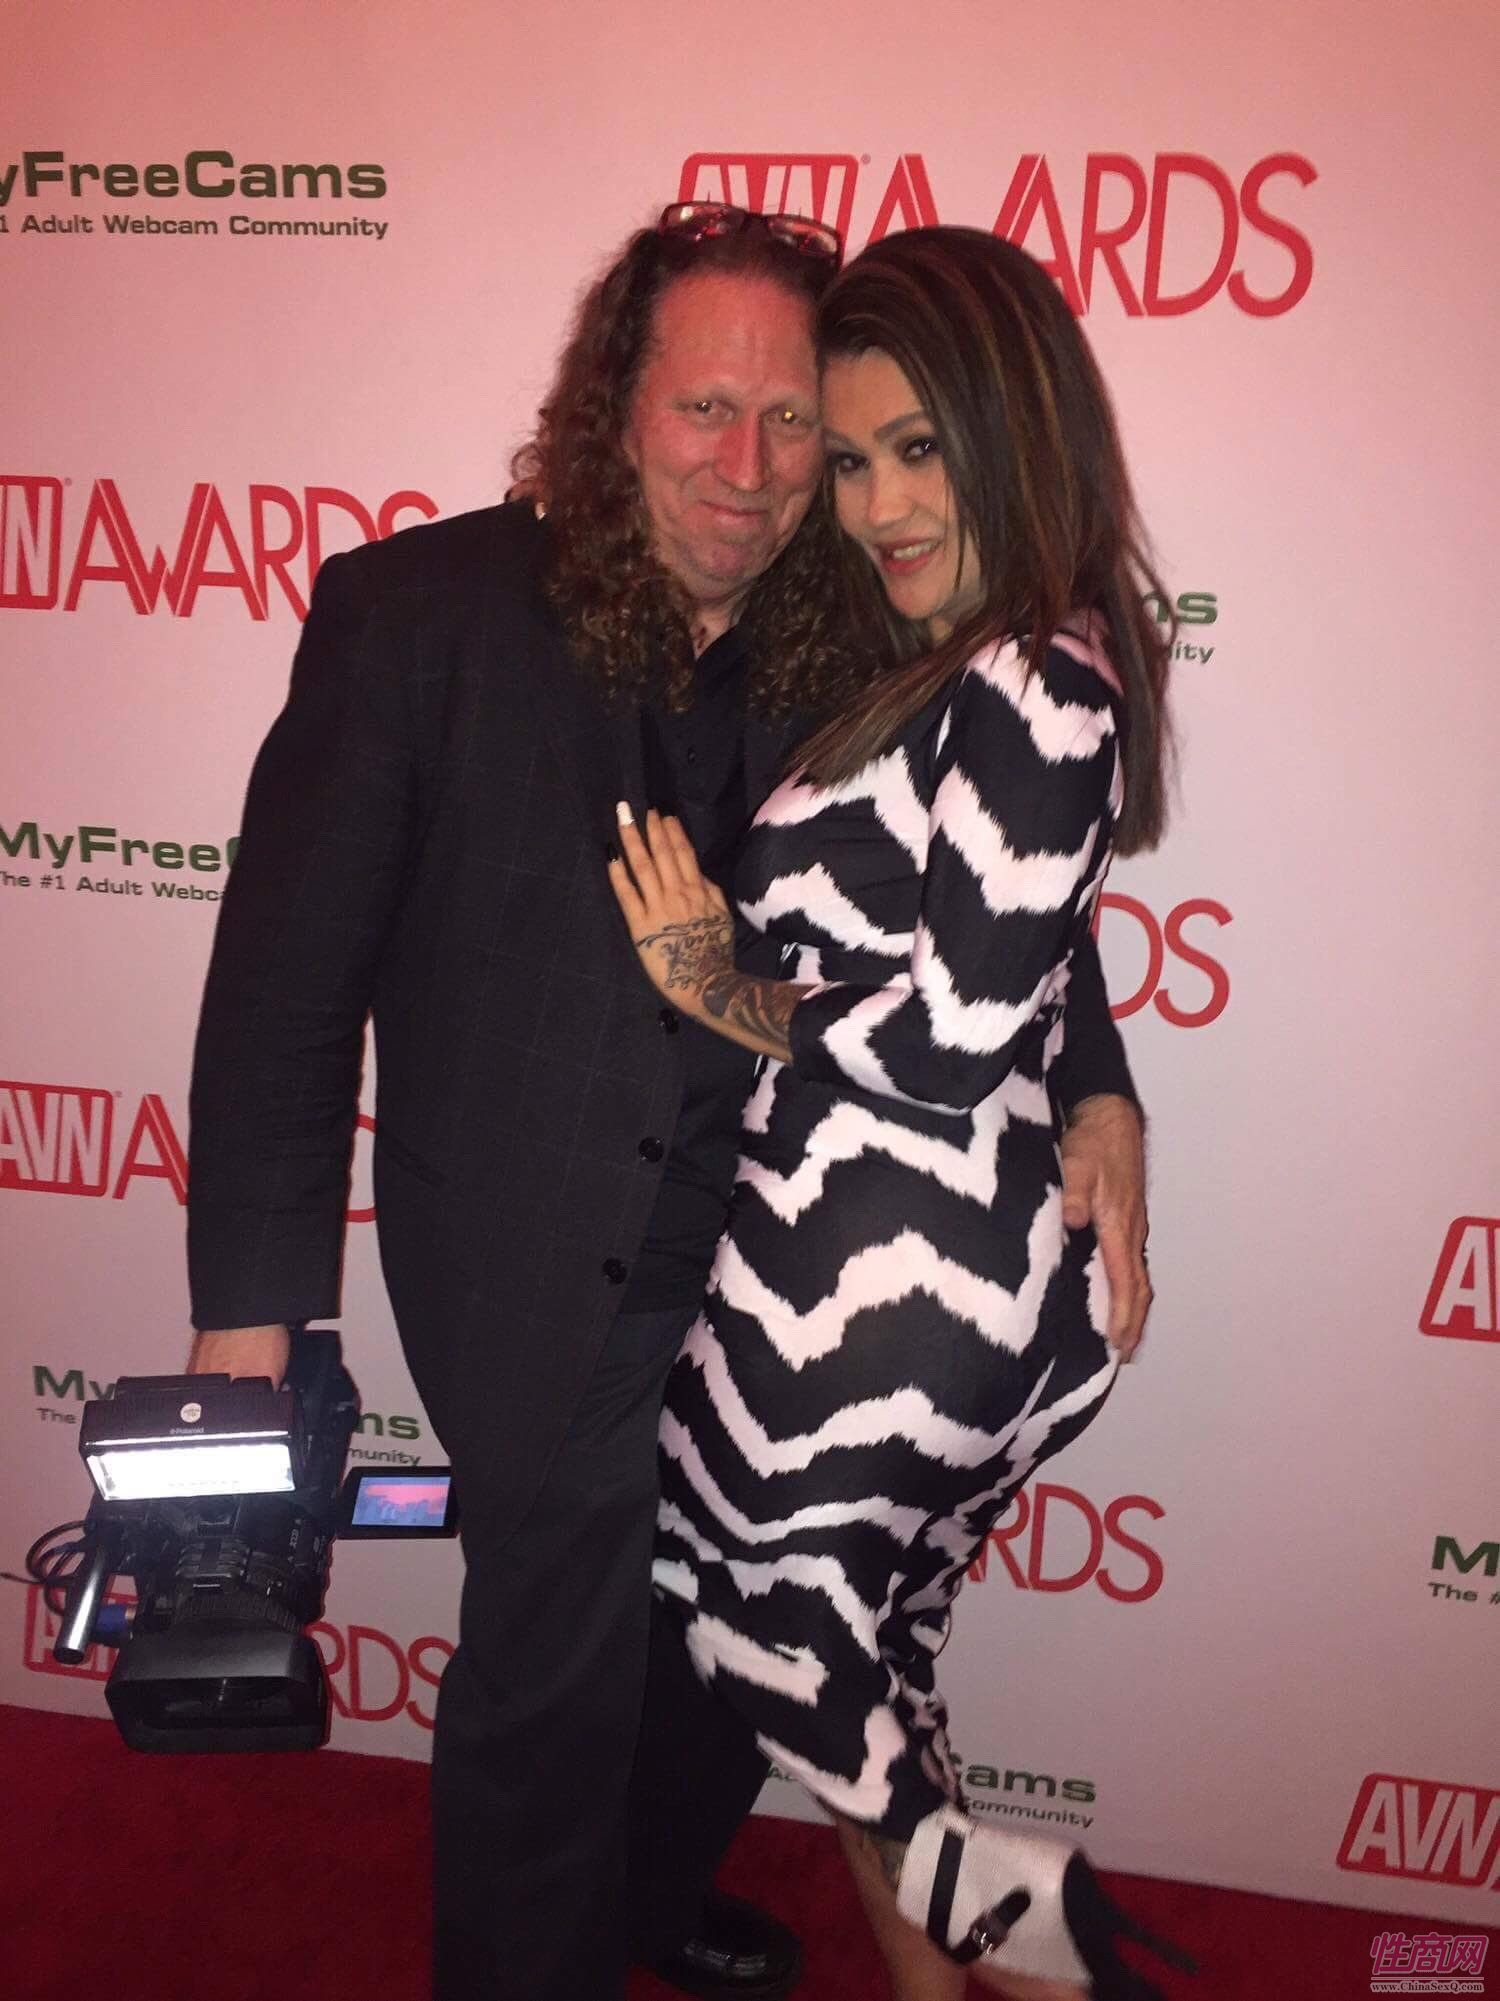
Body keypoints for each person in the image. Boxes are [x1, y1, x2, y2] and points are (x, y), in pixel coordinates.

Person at [184, 205, 1152, 2001]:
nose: (752, 466)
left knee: (723, 1664)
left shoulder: (855, 629)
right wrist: (250, 1324)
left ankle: (638, 1902)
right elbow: (282, 992)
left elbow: (996, 899)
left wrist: (1103, 1091)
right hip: (544, 1263)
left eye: (795, 427)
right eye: (708, 409)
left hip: (793, 1263)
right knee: (556, 1689)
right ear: (614, 405)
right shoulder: (418, 617)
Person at [608, 227, 1185, 2000]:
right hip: (864, 1263)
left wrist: (718, 981)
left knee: (761, 1622)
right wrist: (1103, 1082)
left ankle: (1043, 1932)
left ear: (1018, 429)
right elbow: (1025, 951)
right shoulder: (960, 662)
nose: (874, 505)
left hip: (885, 1277)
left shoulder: (1040, 682)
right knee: (870, 1667)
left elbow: (948, 1036)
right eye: (852, 460)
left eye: (918, 449)